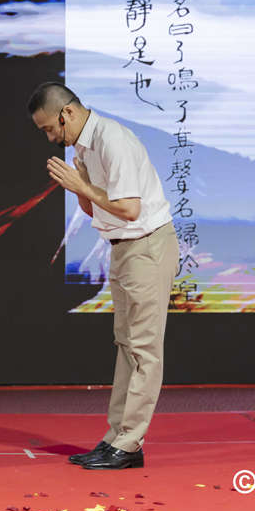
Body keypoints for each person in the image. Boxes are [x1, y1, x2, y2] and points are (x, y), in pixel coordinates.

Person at [27, 82, 179, 470]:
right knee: (126, 344)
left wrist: (82, 185)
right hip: (124, 247)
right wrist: (80, 188)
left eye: (49, 128)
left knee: (143, 349)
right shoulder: (83, 146)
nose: (50, 138)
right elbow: (97, 210)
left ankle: (129, 443)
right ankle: (116, 437)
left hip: (147, 246)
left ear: (67, 113)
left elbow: (129, 208)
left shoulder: (113, 139)